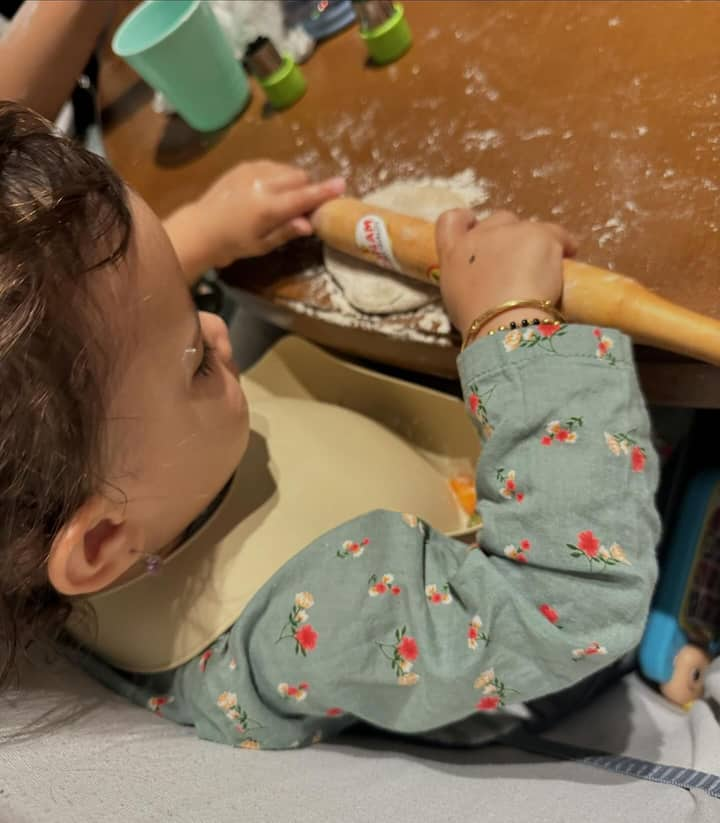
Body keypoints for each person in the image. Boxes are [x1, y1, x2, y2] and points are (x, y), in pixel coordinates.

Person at [0, 102, 661, 750]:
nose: (215, 328)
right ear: (104, 538)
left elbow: (103, 351)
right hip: (556, 582)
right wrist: (512, 321)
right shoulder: (309, 621)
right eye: (197, 361)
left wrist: (198, 234)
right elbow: (570, 610)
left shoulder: (71, 504)